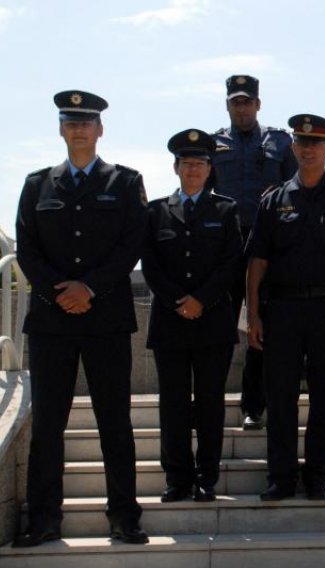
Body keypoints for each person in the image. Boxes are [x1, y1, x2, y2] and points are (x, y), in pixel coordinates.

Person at [13, 90, 148, 546]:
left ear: (100, 130)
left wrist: (88, 288)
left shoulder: (125, 183)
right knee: (49, 424)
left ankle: (124, 516)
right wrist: (62, 292)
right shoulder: (37, 185)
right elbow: (27, 248)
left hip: (105, 318)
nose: (79, 130)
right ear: (61, 129)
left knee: (115, 422)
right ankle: (44, 519)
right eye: (70, 122)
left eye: (86, 123)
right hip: (52, 321)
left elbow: (131, 244)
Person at [246, 114, 325, 500]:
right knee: (280, 397)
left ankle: (318, 475)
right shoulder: (273, 200)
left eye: (316, 143)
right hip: (282, 311)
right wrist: (252, 315)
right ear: (293, 147)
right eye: (302, 142)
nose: (308, 149)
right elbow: (257, 263)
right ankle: (281, 477)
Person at [141, 129, 242, 504]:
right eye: (187, 163)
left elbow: (231, 261)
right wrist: (177, 300)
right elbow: (150, 264)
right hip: (170, 323)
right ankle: (177, 477)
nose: (193, 169)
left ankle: (207, 477)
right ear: (176, 168)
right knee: (174, 403)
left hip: (213, 322)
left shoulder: (226, 210)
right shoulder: (156, 211)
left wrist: (201, 299)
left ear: (209, 168)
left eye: (199, 163)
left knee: (211, 402)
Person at [212, 74, 298, 430]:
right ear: (228, 104)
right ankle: (210, 403)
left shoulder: (279, 141)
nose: (242, 107)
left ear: (258, 104)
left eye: (248, 101)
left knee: (263, 326)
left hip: (269, 244)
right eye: (236, 101)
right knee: (218, 326)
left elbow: (297, 188)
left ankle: (255, 405)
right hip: (225, 245)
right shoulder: (212, 144)